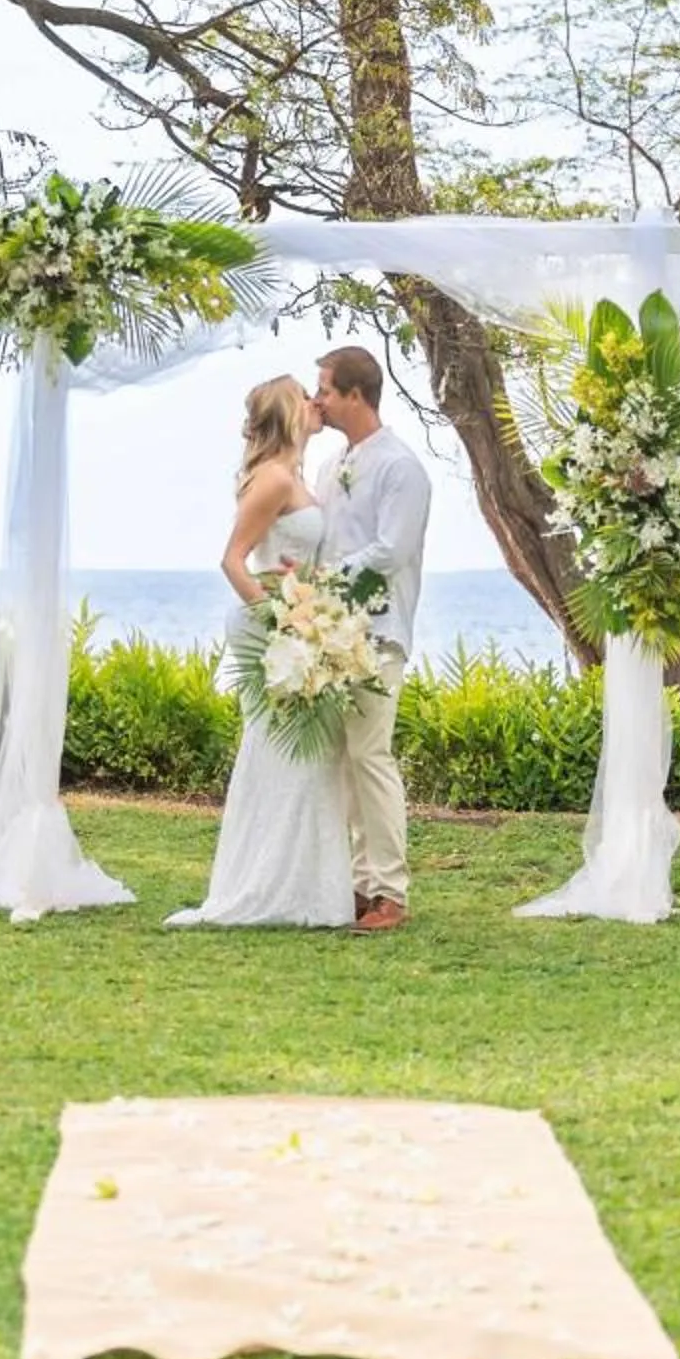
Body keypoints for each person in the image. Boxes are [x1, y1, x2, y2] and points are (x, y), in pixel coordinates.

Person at [165, 378, 356, 929]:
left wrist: (313, 607)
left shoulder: (295, 473)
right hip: (268, 626)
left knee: (308, 755)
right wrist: (283, 619)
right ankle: (266, 889)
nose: (317, 403)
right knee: (282, 752)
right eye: (305, 396)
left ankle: (306, 891)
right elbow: (233, 560)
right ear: (288, 414)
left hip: (298, 621)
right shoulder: (273, 477)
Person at [309, 345, 431, 932]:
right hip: (330, 632)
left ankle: (391, 891)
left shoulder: (401, 468)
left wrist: (327, 580)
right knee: (345, 762)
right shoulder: (331, 467)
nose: (318, 402)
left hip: (379, 631)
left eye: (326, 391)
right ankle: (359, 884)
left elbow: (392, 551)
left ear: (356, 395)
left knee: (371, 755)